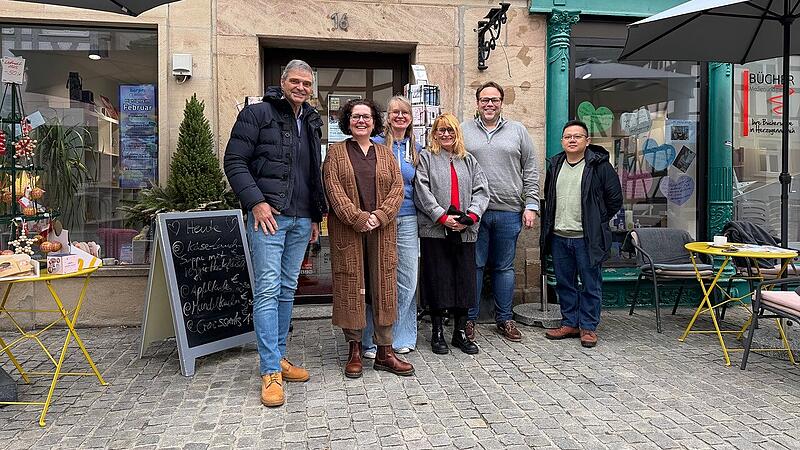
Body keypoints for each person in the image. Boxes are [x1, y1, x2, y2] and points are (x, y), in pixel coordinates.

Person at [223, 59, 326, 407]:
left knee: (286, 289)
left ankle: (279, 357)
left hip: (300, 219)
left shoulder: (311, 120)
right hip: (269, 218)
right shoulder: (257, 114)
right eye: (295, 81)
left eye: (307, 84)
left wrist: (316, 215)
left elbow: (314, 172)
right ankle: (269, 370)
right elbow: (234, 162)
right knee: (267, 290)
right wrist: (256, 202)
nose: (301, 88)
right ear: (282, 81)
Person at [323, 98, 414, 378]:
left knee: (383, 285)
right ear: (347, 122)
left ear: (375, 121)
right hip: (349, 232)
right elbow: (333, 189)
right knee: (352, 284)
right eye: (355, 117)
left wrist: (379, 216)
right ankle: (354, 350)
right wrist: (360, 218)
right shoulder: (336, 152)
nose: (361, 121)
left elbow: (397, 189)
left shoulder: (385, 153)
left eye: (366, 117)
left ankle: (385, 352)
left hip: (382, 231)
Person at [461, 81, 540, 343]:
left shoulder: (517, 131)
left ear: (501, 103)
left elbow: (530, 169)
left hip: (508, 211)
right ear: (477, 103)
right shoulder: (464, 130)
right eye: (484, 99)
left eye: (494, 99)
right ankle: (469, 320)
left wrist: (531, 205)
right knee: (474, 265)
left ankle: (504, 319)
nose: (489, 104)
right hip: (475, 213)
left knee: (504, 268)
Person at [540, 120, 622, 348]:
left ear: (587, 141)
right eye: (568, 137)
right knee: (564, 283)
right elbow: (550, 197)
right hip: (559, 236)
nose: (572, 140)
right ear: (562, 141)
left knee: (590, 284)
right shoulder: (555, 164)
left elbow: (615, 199)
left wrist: (597, 219)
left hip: (587, 238)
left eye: (577, 136)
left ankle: (588, 327)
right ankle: (570, 322)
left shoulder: (599, 166)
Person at [415, 113, 489, 354]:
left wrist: (471, 217)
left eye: (450, 130)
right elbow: (422, 190)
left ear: (457, 133)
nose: (446, 134)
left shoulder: (469, 160)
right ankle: (437, 332)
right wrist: (442, 217)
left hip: (465, 230)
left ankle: (459, 332)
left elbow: (481, 190)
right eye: (441, 130)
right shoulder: (426, 157)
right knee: (438, 280)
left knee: (464, 281)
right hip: (436, 229)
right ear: (434, 133)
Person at [362, 96, 422, 359]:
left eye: (405, 113)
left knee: (407, 278)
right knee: (378, 278)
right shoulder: (374, 146)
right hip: (380, 219)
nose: (400, 116)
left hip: (408, 218)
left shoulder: (417, 150)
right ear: (387, 117)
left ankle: (401, 335)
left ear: (410, 118)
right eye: (395, 112)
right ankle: (373, 339)